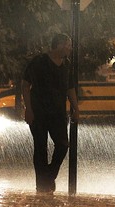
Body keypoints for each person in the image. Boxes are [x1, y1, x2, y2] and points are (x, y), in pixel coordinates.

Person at [21, 33, 79, 194]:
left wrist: (76, 108)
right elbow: (25, 85)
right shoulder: (39, 62)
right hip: (38, 112)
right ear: (59, 45)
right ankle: (42, 185)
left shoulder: (67, 65)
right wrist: (28, 109)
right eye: (68, 45)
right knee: (40, 148)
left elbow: (70, 88)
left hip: (58, 113)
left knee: (62, 145)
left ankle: (49, 176)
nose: (70, 48)